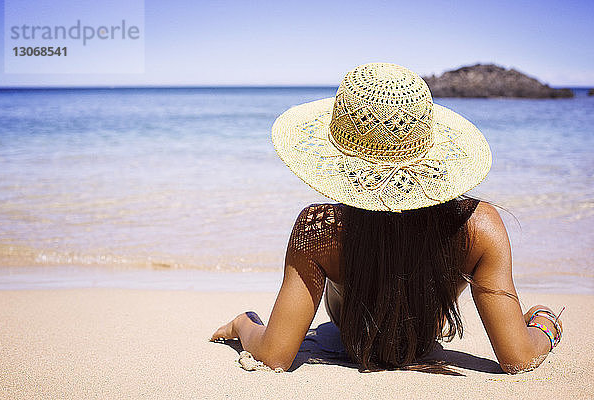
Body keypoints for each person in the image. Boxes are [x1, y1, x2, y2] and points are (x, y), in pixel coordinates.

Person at [211, 63, 563, 374]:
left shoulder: (319, 228)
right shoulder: (478, 226)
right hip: (426, 333)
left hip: (349, 336)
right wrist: (546, 324)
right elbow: (518, 357)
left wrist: (244, 324)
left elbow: (274, 356)